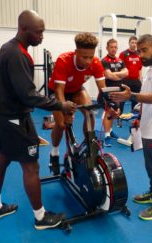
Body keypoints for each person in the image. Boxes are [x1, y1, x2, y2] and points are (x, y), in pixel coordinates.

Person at [0, 10, 77, 230]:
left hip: (1, 116)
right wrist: (60, 105)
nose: (42, 36)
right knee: (31, 167)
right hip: (15, 119)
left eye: (43, 32)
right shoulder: (18, 54)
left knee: (2, 158)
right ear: (24, 29)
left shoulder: (8, 48)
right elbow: (28, 95)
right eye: (39, 32)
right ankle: (41, 217)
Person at [109, 34, 152, 220]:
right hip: (149, 123)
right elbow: (148, 96)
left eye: (145, 50)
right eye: (139, 51)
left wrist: (131, 96)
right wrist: (138, 115)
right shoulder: (151, 69)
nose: (141, 55)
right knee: (150, 163)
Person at [48, 32, 119, 173]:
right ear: (76, 52)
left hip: (76, 90)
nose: (88, 61)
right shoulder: (63, 60)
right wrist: (66, 110)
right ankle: (54, 151)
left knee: (90, 113)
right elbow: (59, 91)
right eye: (84, 57)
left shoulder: (96, 63)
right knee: (62, 124)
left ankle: (88, 147)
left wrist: (111, 105)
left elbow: (103, 89)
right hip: (57, 92)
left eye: (91, 57)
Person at [101, 38, 128, 146]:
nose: (114, 49)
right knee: (109, 111)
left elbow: (126, 72)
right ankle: (107, 135)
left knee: (117, 112)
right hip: (108, 90)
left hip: (120, 90)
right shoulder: (104, 61)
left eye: (115, 47)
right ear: (107, 48)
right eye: (111, 47)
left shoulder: (120, 61)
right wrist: (119, 75)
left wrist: (116, 75)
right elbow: (109, 75)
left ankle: (110, 130)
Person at [119, 36, 142, 112]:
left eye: (135, 43)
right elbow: (120, 68)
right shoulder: (123, 54)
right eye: (132, 42)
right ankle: (120, 117)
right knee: (122, 100)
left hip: (136, 81)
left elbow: (140, 68)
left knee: (135, 101)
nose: (134, 44)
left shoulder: (139, 54)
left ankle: (134, 119)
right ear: (129, 43)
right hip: (126, 81)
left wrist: (140, 79)